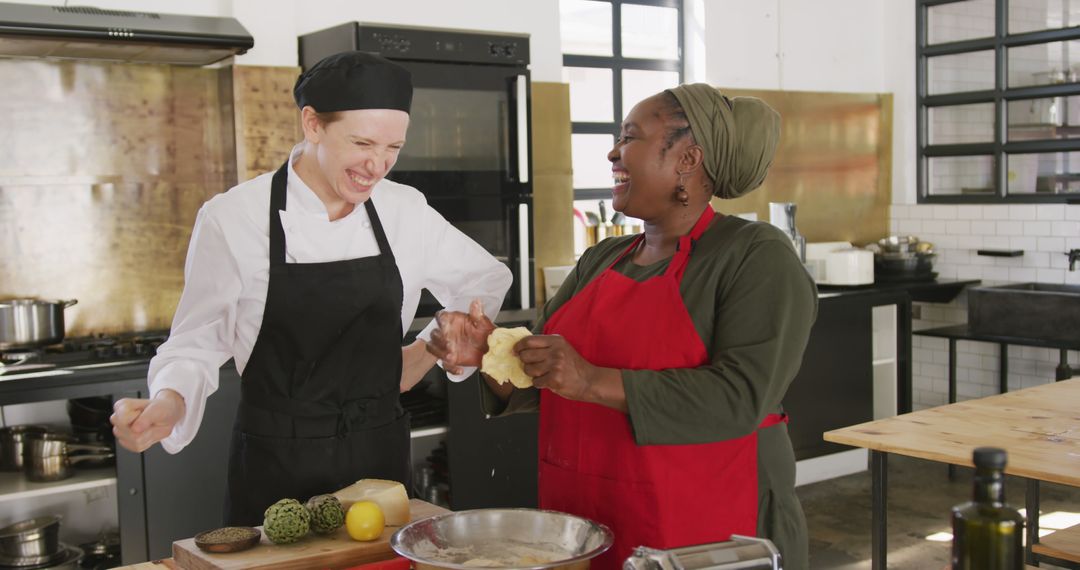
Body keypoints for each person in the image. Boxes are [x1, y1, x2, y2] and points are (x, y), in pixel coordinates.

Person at [109, 51, 512, 526]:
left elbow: (485, 279)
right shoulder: (233, 217)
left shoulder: (406, 210)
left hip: (379, 463)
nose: (377, 165)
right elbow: (196, 343)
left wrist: (429, 347)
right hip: (276, 467)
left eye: (393, 148)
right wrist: (170, 401)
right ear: (312, 124)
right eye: (362, 142)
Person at [428, 83, 816, 570]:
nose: (613, 152)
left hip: (704, 527)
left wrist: (590, 379)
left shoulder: (754, 256)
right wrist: (488, 355)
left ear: (688, 159)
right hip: (585, 516)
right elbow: (544, 377)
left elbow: (740, 397)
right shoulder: (604, 258)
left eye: (630, 137)